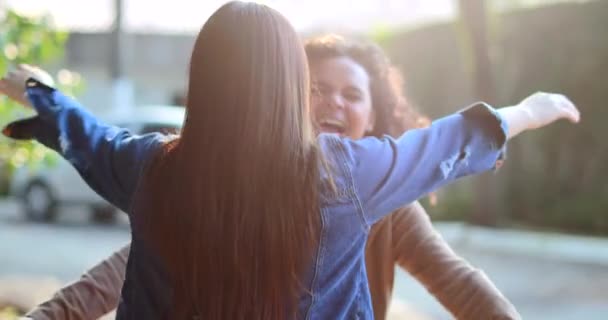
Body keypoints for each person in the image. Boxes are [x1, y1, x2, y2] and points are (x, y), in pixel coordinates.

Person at [0, 2, 579, 319]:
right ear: (290, 89)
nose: (332, 105)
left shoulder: (155, 171)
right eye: (317, 88)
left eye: (351, 95)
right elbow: (445, 145)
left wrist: (44, 97)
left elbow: (92, 138)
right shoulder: (354, 175)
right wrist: (525, 111)